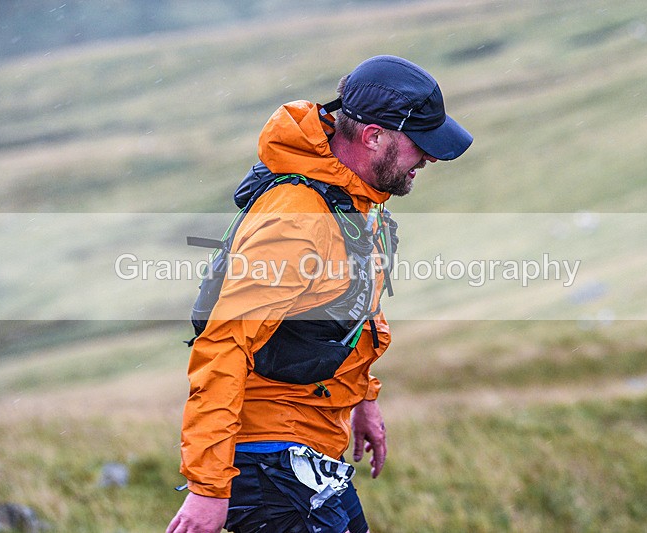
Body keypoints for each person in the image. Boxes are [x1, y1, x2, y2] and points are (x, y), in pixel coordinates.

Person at [166, 55, 472, 533]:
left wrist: (363, 400)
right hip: (269, 456)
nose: (429, 158)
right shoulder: (296, 219)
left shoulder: (352, 195)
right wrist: (208, 488)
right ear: (373, 136)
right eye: (421, 145)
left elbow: (348, 314)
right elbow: (223, 347)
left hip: (311, 439)